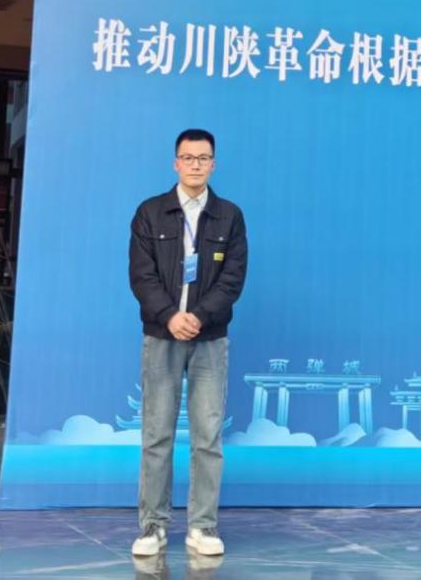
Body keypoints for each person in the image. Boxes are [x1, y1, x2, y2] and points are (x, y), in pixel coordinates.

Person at [128, 128, 247, 557]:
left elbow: (233, 278)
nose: (196, 165)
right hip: (161, 335)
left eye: (204, 158)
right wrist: (170, 316)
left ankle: (203, 527)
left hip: (209, 337)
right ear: (175, 163)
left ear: (214, 164)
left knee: (207, 437)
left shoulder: (229, 215)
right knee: (156, 435)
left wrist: (198, 316)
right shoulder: (150, 212)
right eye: (188, 158)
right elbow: (141, 275)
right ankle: (152, 527)